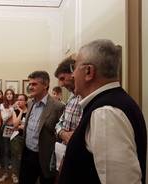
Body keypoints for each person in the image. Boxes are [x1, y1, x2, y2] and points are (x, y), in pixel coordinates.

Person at [58, 39, 147, 184]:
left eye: (74, 67)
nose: (72, 75)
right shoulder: (110, 103)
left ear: (88, 72)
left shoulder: (105, 113)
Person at [19, 71, 64, 184]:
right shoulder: (30, 103)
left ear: (45, 85)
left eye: (34, 84)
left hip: (45, 157)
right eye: (30, 84)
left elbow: (60, 135)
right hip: (28, 154)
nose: (30, 87)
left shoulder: (57, 107)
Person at [54, 57, 82, 145]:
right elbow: (60, 123)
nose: (61, 85)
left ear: (74, 74)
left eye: (62, 78)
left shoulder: (87, 98)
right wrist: (63, 133)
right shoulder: (71, 97)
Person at [10, 94, 28, 183]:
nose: (19, 101)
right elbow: (15, 125)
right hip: (16, 137)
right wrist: (20, 111)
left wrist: (22, 126)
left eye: (21, 100)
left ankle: (22, 174)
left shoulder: (29, 111)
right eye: (18, 99)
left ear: (25, 101)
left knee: (24, 157)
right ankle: (14, 174)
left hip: (27, 137)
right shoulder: (15, 111)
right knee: (16, 157)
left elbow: (29, 126)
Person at [0, 89, 15, 182]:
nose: (9, 95)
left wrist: (13, 108)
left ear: (13, 95)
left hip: (15, 129)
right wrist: (12, 108)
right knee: (5, 151)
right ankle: (5, 173)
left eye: (11, 94)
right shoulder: (2, 105)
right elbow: (4, 118)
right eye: (7, 94)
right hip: (6, 129)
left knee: (14, 152)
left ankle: (14, 173)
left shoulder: (17, 104)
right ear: (5, 96)